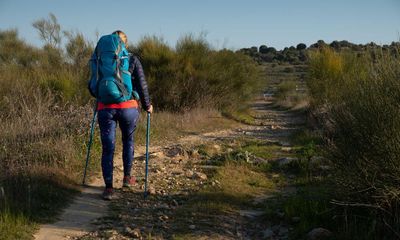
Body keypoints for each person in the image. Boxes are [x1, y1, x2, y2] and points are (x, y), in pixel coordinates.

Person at [96, 30, 153, 200]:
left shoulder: (101, 59)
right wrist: (148, 105)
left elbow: (94, 81)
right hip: (128, 108)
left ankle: (108, 188)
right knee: (128, 140)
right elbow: (142, 84)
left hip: (105, 108)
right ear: (124, 44)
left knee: (108, 148)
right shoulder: (132, 58)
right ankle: (127, 179)